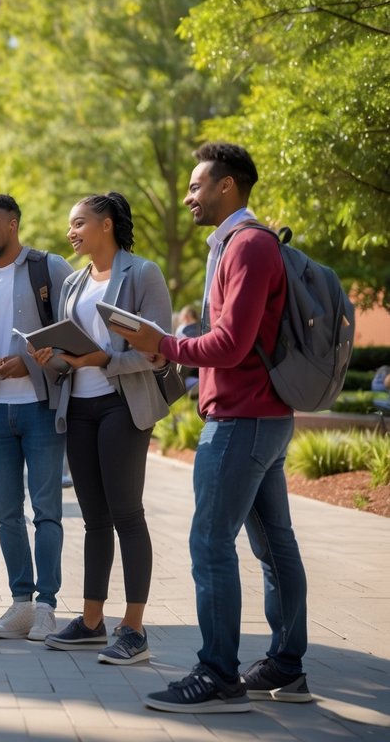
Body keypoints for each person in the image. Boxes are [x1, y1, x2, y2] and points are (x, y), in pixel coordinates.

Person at [117, 143, 311, 713]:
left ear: (227, 187)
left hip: (241, 418)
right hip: (260, 417)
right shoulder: (238, 245)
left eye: (197, 186)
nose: (188, 195)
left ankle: (218, 676)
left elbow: (231, 344)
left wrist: (163, 345)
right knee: (275, 545)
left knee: (209, 543)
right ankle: (286, 666)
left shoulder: (247, 246)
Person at [32, 192, 171, 666]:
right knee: (93, 519)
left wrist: (105, 359)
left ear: (107, 224)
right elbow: (69, 356)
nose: (71, 232)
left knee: (127, 514)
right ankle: (92, 622)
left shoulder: (143, 273)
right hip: (80, 407)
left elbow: (159, 351)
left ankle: (133, 629)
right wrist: (52, 360)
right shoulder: (72, 283)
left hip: (121, 405)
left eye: (79, 223)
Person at [0, 195, 72, 642]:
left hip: (41, 408)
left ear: (12, 224)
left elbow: (73, 334)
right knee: (6, 514)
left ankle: (47, 606)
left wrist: (27, 363)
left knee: (46, 511)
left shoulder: (51, 268)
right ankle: (21, 604)